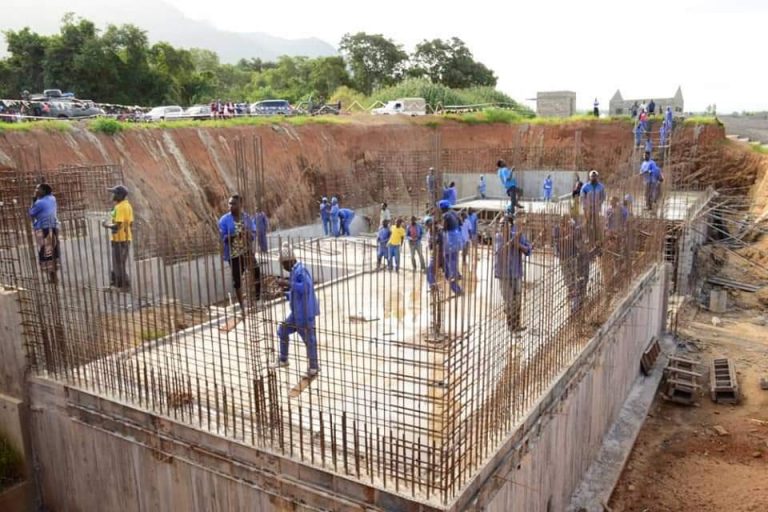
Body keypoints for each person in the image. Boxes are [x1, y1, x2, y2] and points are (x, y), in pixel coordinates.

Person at [273, 243, 320, 377]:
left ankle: (314, 367)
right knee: (282, 330)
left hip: (305, 314)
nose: (283, 267)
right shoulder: (294, 271)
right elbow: (296, 293)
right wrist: (284, 293)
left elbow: (305, 288)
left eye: (283, 264)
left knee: (309, 341)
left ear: (289, 261)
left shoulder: (301, 270)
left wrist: (287, 283)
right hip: (296, 314)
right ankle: (283, 359)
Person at [218, 195, 258, 319]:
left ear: (240, 204)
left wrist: (247, 234)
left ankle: (257, 299)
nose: (231, 206)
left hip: (246, 251)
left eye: (234, 204)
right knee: (237, 280)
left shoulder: (246, 218)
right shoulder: (224, 220)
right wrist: (235, 235)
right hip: (234, 254)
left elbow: (253, 234)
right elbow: (223, 238)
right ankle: (242, 307)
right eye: (229, 204)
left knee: (256, 270)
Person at [495, 214, 532, 331]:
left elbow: (529, 250)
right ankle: (511, 325)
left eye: (504, 225)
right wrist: (509, 243)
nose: (501, 228)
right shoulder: (498, 237)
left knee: (518, 300)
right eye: (500, 225)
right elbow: (499, 253)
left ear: (510, 227)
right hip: (503, 274)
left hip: (516, 272)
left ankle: (517, 324)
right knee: (510, 300)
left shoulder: (517, 236)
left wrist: (518, 245)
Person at [553, 213, 588, 312]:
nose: (568, 223)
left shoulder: (573, 228)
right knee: (568, 280)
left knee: (574, 278)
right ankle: (573, 300)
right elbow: (556, 242)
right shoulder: (557, 229)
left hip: (572, 256)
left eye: (569, 221)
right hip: (563, 257)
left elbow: (579, 232)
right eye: (566, 221)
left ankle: (575, 302)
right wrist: (565, 239)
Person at [102, 185, 133, 291]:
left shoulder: (120, 207)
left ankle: (125, 285)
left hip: (121, 240)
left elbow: (118, 225)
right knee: (117, 263)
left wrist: (107, 226)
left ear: (119, 195)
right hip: (123, 239)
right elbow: (130, 222)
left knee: (119, 263)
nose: (113, 195)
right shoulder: (126, 205)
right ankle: (115, 284)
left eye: (114, 193)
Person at [29, 183, 60, 284]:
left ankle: (53, 277)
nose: (36, 190)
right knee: (53, 250)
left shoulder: (40, 202)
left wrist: (33, 199)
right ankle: (54, 275)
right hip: (53, 227)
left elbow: (31, 213)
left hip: (44, 229)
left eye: (38, 189)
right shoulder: (52, 198)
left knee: (46, 252)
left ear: (44, 191)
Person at [604, 196, 629, 290]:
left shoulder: (622, 210)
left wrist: (621, 231)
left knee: (619, 254)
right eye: (610, 202)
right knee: (612, 254)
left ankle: (618, 271)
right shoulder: (609, 210)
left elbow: (625, 221)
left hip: (619, 234)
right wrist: (608, 232)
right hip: (611, 234)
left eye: (613, 202)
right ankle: (613, 272)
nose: (611, 203)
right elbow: (607, 223)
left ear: (617, 201)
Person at [439, 200, 463, 295]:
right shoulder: (455, 213)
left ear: (442, 208)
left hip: (451, 237)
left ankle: (454, 275)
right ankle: (457, 274)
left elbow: (444, 228)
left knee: (449, 257)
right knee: (455, 257)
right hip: (458, 236)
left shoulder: (445, 215)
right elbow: (461, 223)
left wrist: (440, 227)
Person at [580, 170, 606, 250]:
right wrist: (584, 207)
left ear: (597, 177)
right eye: (592, 176)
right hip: (588, 208)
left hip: (596, 208)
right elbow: (582, 198)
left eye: (595, 176)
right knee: (587, 223)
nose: (594, 178)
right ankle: (586, 238)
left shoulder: (601, 187)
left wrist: (599, 203)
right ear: (590, 177)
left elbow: (603, 197)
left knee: (596, 224)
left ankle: (596, 240)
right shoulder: (585, 187)